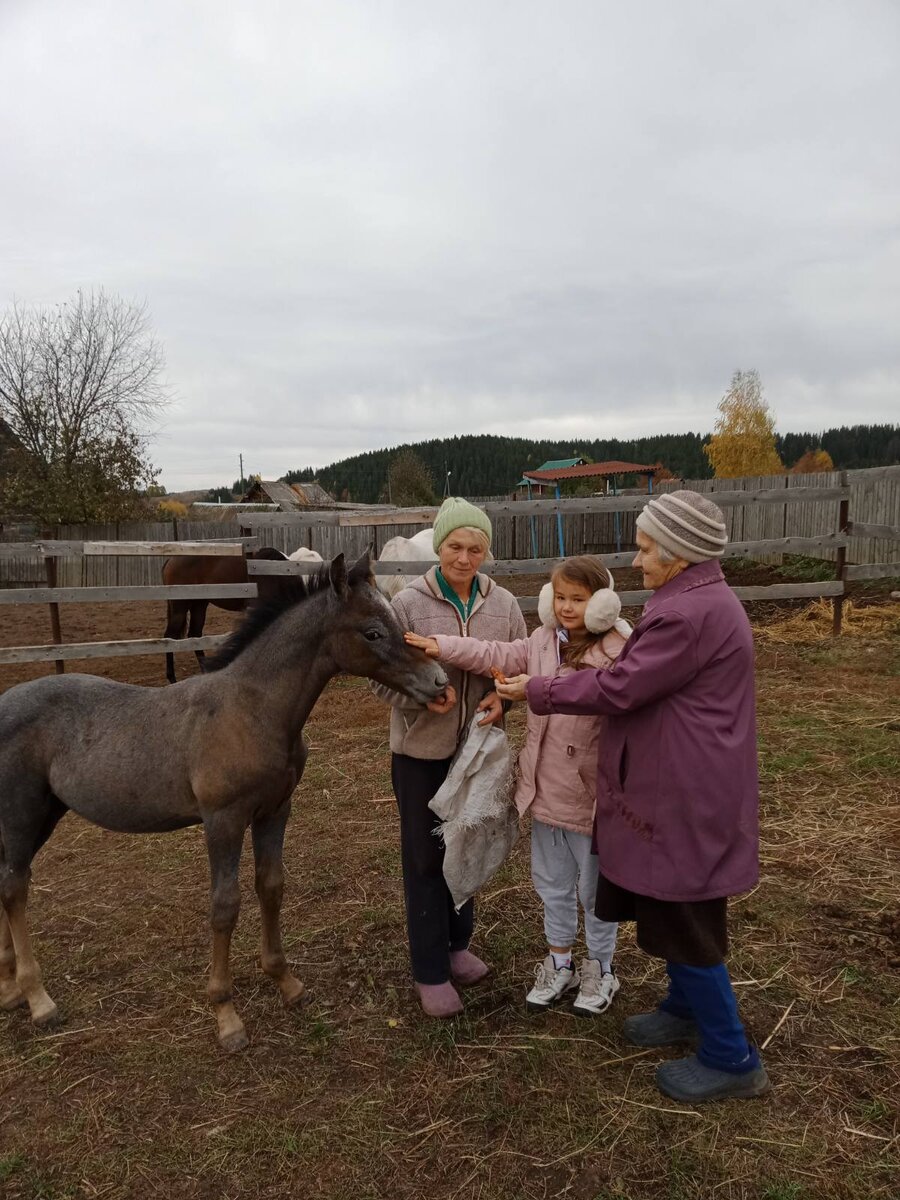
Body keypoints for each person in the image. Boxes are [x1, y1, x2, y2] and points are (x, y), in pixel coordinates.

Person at [496, 491, 770, 1103]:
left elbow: (621, 687)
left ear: (678, 553)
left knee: (683, 913)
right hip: (686, 783)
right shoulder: (698, 601)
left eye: (646, 549)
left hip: (682, 793)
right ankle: (683, 1006)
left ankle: (730, 1056)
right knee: (675, 901)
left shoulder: (686, 616)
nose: (638, 560)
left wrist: (537, 690)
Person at [406, 555, 631, 1016]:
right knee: (551, 884)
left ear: (603, 605)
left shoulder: (619, 653)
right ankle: (560, 962)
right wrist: (440, 645)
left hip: (591, 798)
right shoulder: (542, 640)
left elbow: (610, 702)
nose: (567, 608)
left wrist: (533, 688)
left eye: (579, 599)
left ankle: (601, 968)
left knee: (594, 891)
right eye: (561, 598)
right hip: (544, 794)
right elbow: (492, 654)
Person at [372, 497, 527, 1018]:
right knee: (424, 857)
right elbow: (382, 680)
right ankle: (430, 969)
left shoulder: (503, 605)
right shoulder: (408, 605)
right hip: (420, 753)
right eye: (456, 546)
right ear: (438, 546)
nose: (465, 558)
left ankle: (459, 947)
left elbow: (521, 662)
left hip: (477, 751)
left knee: (467, 844)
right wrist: (421, 698)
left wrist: (504, 697)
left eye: (476, 548)